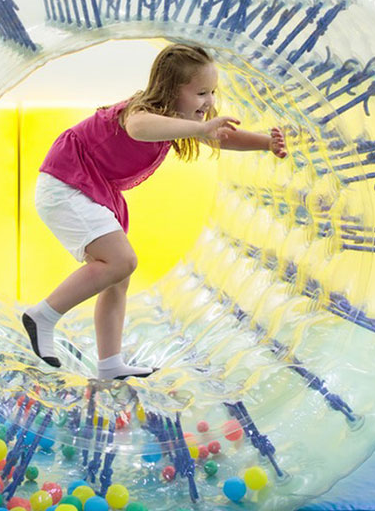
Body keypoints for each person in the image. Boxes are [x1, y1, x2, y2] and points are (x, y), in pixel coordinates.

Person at [22, 43, 287, 380]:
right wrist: (201, 129)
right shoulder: (141, 110)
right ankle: (42, 316)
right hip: (67, 183)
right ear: (172, 90)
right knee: (121, 261)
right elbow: (138, 129)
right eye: (201, 93)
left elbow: (221, 137)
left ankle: (110, 365)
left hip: (91, 187)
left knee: (118, 278)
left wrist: (266, 143)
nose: (208, 102)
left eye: (212, 92)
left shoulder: (182, 119)